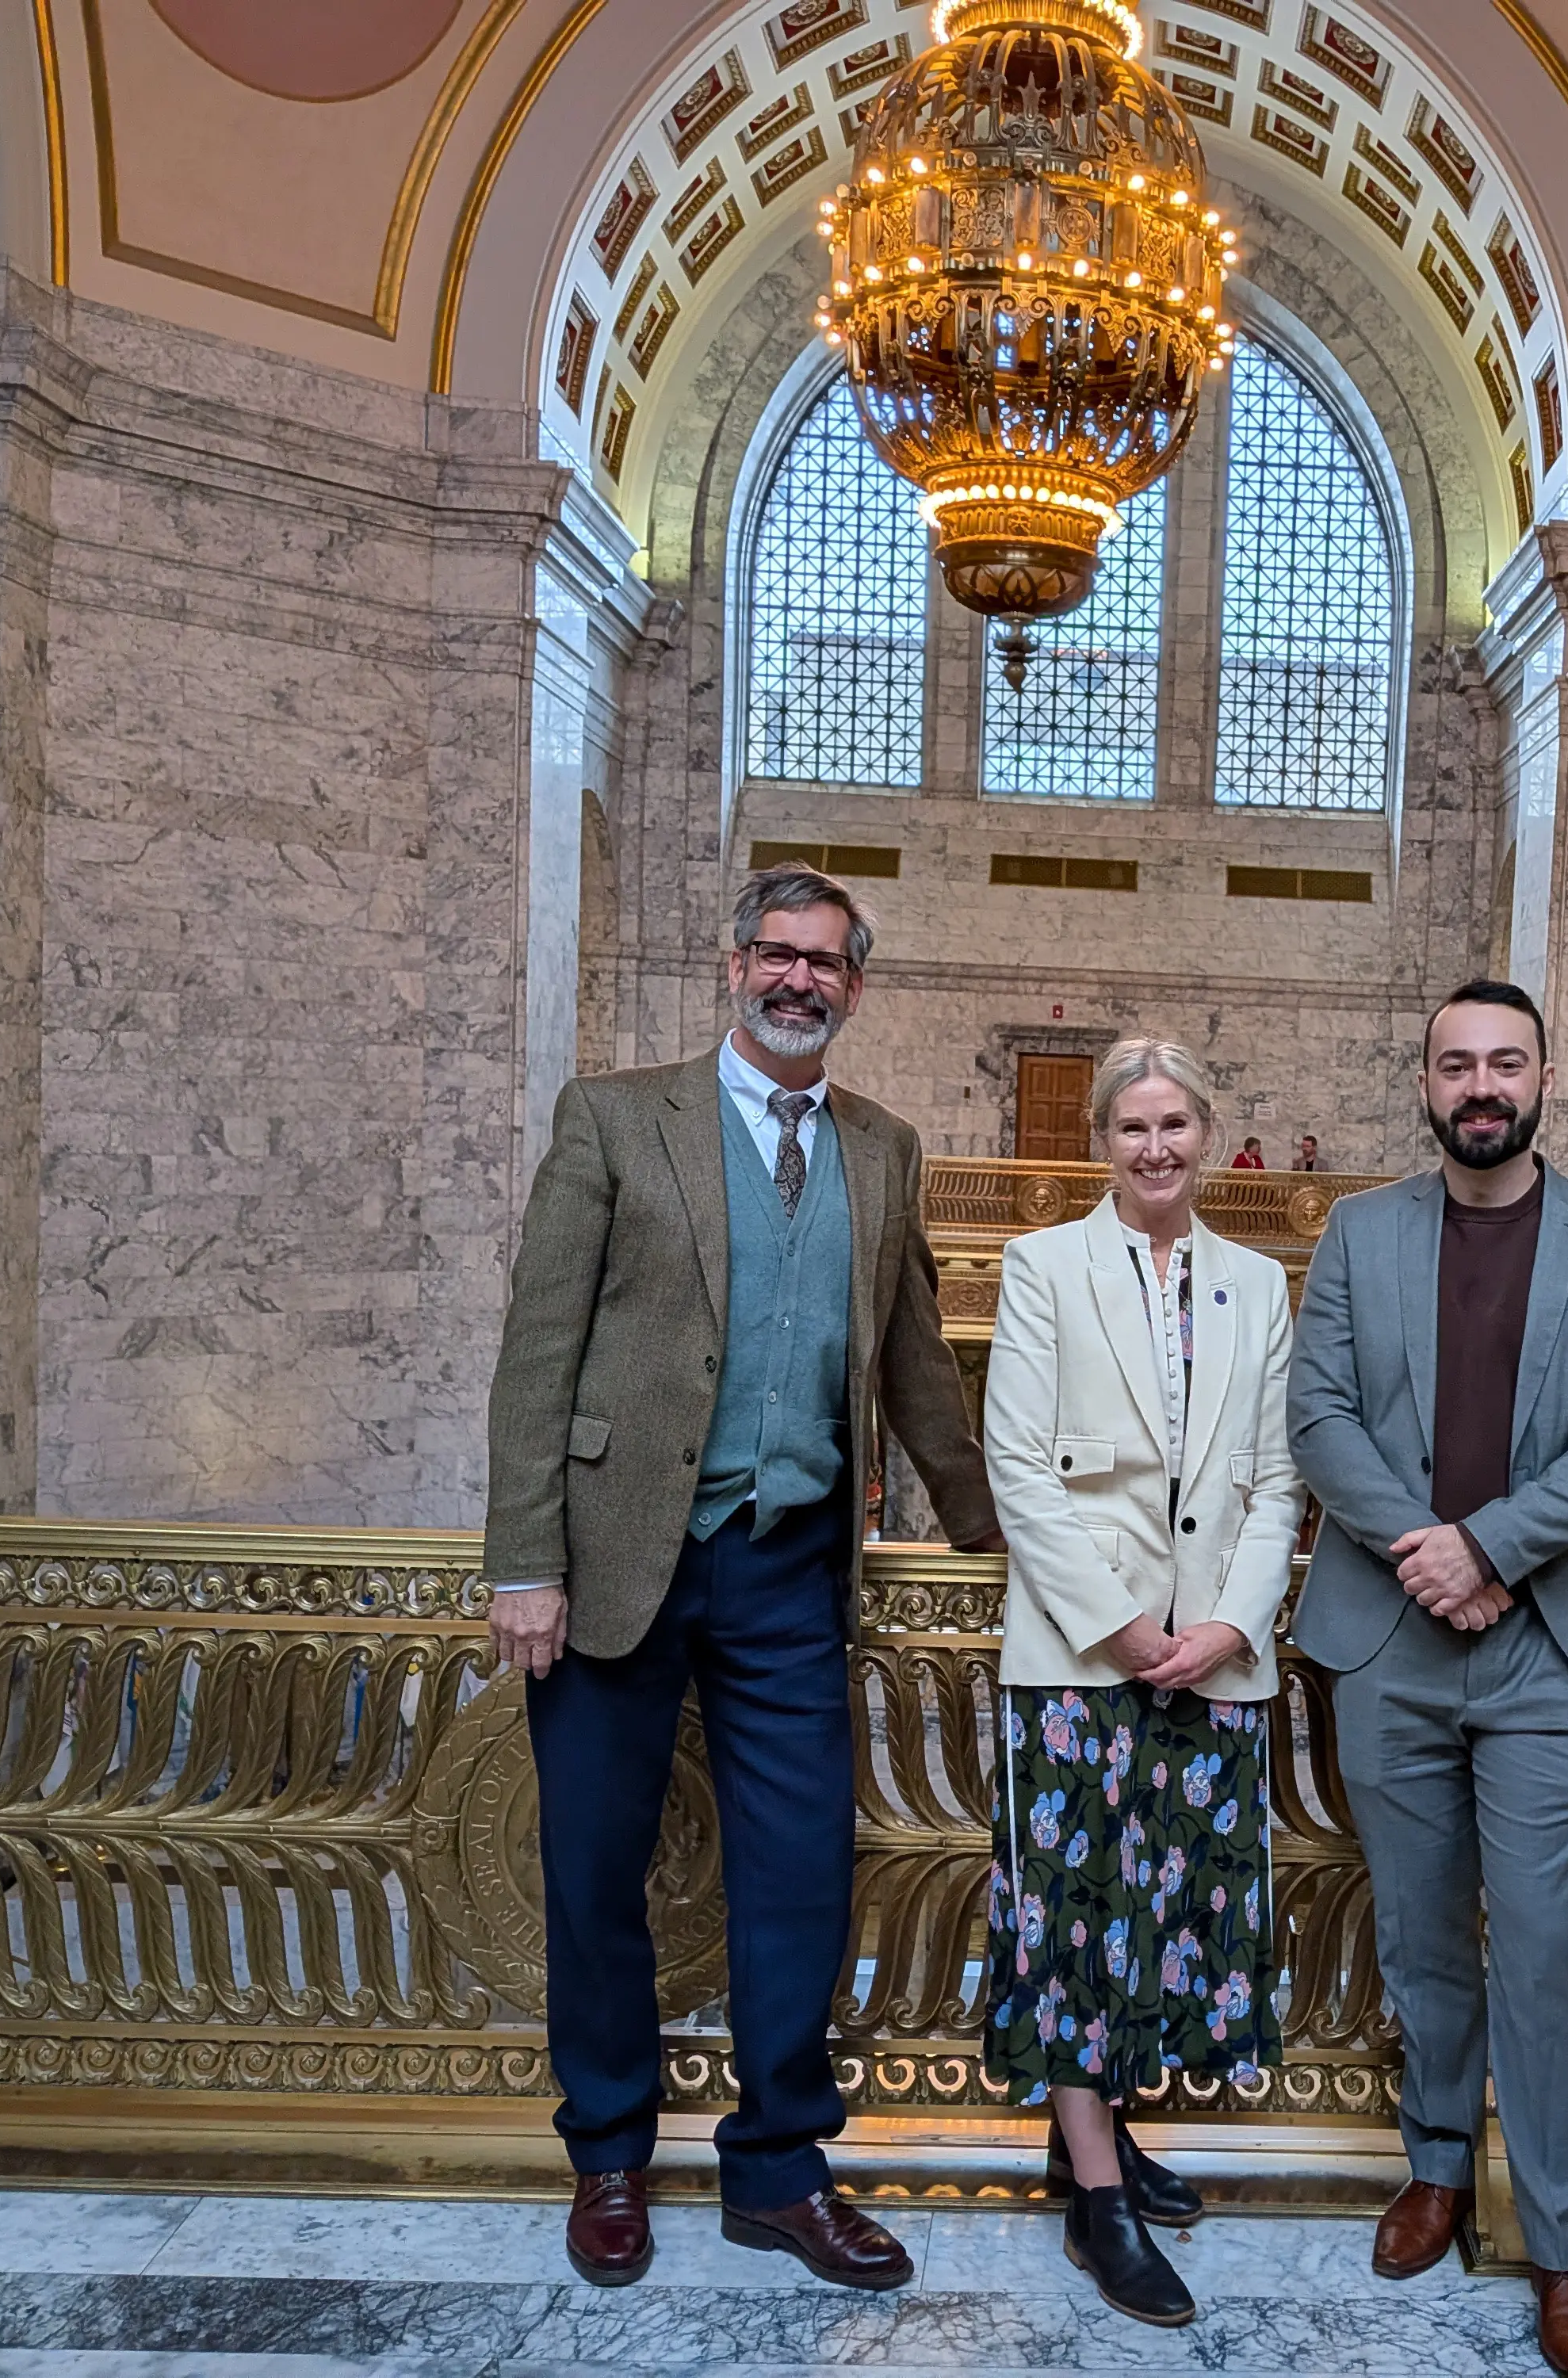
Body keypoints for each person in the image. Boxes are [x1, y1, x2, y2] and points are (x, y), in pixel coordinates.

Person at [482, 863, 1003, 2292]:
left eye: (827, 964)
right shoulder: (612, 1116)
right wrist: (524, 1561)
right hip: (610, 1566)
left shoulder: (886, 1149)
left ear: (855, 987)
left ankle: (778, 2168)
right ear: (734, 966)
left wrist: (999, 1536)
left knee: (799, 1878)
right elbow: (537, 1357)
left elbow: (913, 1364)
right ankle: (607, 2155)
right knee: (595, 1870)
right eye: (778, 954)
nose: (799, 980)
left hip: (787, 1572)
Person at [1287, 981, 1568, 2378]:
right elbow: (1317, 1415)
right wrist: (1422, 1552)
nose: (1480, 1084)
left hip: (1551, 1648)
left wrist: (1491, 1548)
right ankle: (1438, 2165)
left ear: (1545, 1077)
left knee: (1549, 1948)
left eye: (1504, 1060)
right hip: (1393, 1635)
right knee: (1422, 1937)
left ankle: (1563, 2246)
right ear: (1428, 1083)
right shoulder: (1357, 1232)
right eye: (1457, 1064)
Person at [979, 1036, 1304, 2328]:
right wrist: (1121, 1626)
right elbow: (1019, 1468)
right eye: (1133, 1128)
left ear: (1205, 1134)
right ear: (1100, 1140)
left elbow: (1278, 1482)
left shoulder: (1256, 1283)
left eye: (1176, 1126)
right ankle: (1096, 2199)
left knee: (1164, 1907)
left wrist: (1226, 1621)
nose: (1156, 1148)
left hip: (1212, 1658)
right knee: (1074, 1907)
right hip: (1078, 1651)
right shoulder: (1044, 1263)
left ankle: (1096, 2131)